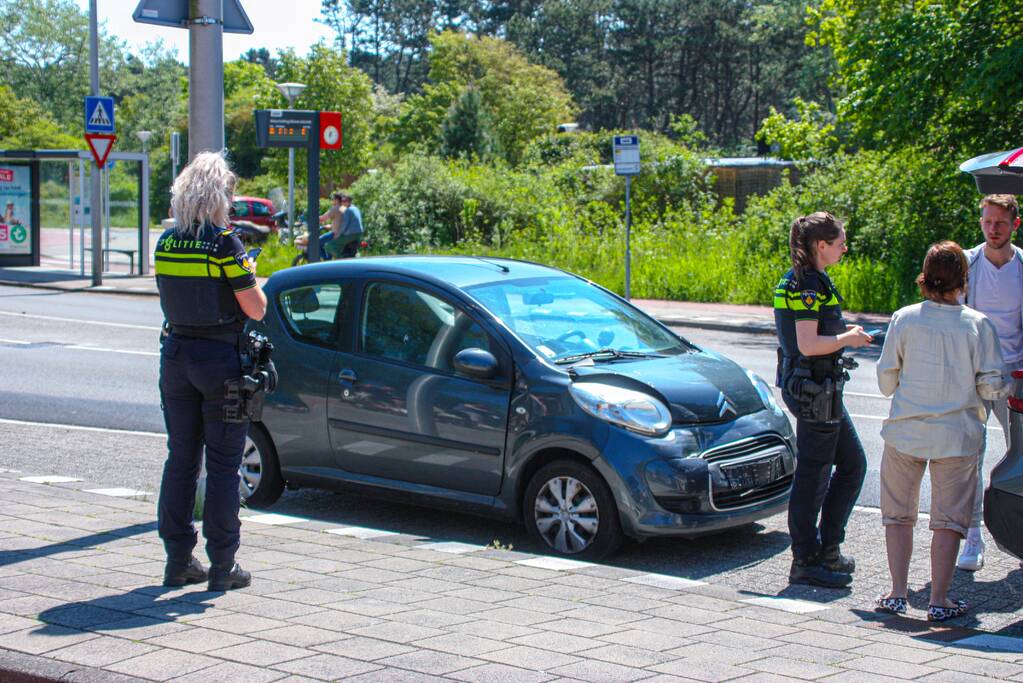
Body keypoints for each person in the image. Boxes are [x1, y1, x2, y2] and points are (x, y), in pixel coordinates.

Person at [875, 241, 1009, 620]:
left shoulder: (904, 318)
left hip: (906, 431)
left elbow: (886, 382)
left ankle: (898, 593)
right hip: (958, 435)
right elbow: (990, 386)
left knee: (898, 515)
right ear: (964, 279)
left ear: (925, 276)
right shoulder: (978, 324)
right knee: (949, 521)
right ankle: (939, 599)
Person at [154, 152, 267, 592]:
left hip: (176, 357)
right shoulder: (225, 244)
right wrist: (250, 275)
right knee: (223, 466)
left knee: (180, 459)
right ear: (219, 195)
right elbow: (254, 309)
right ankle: (223, 566)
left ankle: (178, 559)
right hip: (221, 362)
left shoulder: (166, 243)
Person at [774, 211, 872, 588]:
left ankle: (827, 549)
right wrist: (847, 339)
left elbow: (813, 332)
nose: (845, 247)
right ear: (821, 245)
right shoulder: (807, 284)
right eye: (840, 242)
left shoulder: (809, 279)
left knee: (851, 465)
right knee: (814, 476)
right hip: (815, 390)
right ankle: (806, 558)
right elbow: (808, 344)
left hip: (819, 387)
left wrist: (846, 332)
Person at [958, 194, 1022, 571]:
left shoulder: (1022, 266)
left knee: (1021, 460)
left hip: (1016, 376)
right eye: (987, 222)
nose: (992, 229)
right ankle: (972, 537)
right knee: (970, 458)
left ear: (1015, 224)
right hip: (975, 376)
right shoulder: (968, 263)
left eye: (1000, 222)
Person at [321, 193, 363, 260]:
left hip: (351, 234)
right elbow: (339, 217)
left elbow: (344, 224)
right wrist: (332, 225)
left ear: (349, 202)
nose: (342, 203)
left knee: (328, 245)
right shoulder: (354, 208)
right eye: (342, 201)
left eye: (344, 201)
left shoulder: (348, 210)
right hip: (358, 233)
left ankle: (341, 259)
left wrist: (338, 234)